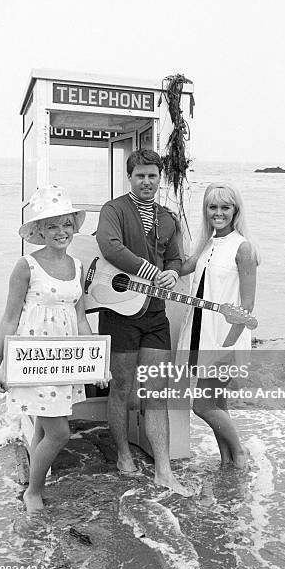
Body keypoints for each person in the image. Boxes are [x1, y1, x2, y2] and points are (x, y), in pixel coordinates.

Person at [0, 185, 108, 513]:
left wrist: (96, 363)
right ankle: (33, 491)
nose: (61, 232)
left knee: (46, 425)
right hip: (34, 360)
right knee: (59, 433)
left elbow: (81, 319)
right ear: (39, 230)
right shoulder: (26, 266)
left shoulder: (78, 267)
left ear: (74, 226)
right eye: (52, 225)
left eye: (66, 224)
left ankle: (34, 484)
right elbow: (9, 318)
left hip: (65, 362)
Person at [96, 149, 190, 496]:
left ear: (159, 177)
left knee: (156, 391)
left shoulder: (168, 217)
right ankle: (123, 455)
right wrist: (148, 269)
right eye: (140, 176)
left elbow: (177, 257)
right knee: (121, 387)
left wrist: (171, 271)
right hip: (119, 313)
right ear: (130, 177)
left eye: (153, 176)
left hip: (155, 314)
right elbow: (109, 246)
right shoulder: (114, 209)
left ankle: (163, 469)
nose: (147, 181)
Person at [177, 183, 260, 471]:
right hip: (200, 333)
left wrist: (227, 347)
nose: (219, 213)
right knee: (217, 403)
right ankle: (226, 460)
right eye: (213, 207)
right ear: (206, 210)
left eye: (225, 207)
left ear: (235, 210)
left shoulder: (243, 248)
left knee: (201, 405)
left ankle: (239, 452)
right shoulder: (208, 244)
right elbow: (182, 267)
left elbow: (247, 306)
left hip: (223, 339)